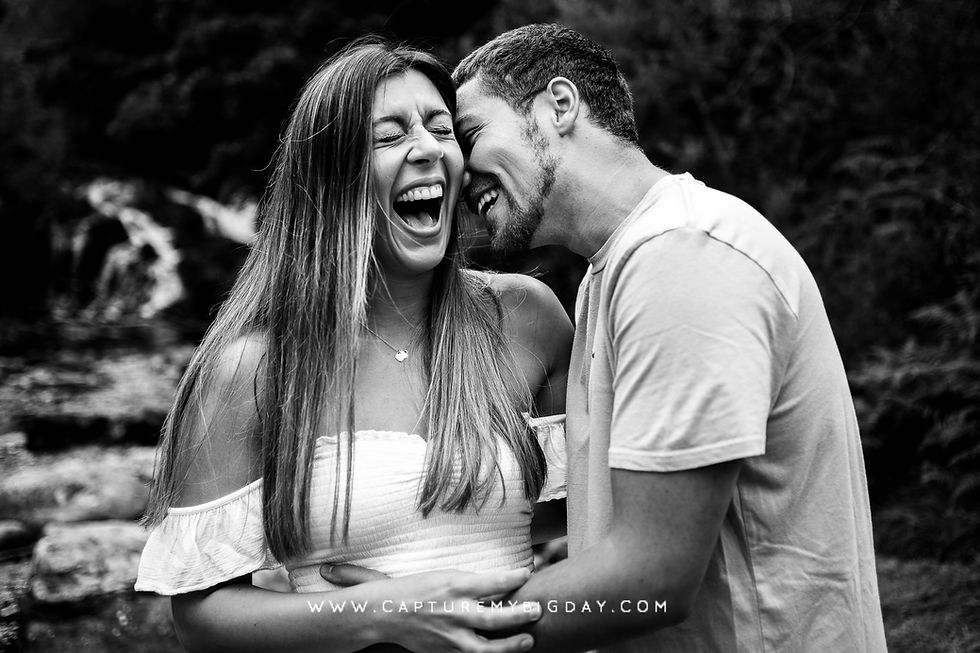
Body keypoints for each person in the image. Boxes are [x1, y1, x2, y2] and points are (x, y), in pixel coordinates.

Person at [326, 23, 888, 652]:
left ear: (559, 106)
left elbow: (655, 576)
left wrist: (417, 619)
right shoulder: (617, 271)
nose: (460, 171)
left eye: (471, 133)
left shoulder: (682, 257)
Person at [135, 38, 573, 653]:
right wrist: (382, 615)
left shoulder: (529, 317)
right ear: (330, 180)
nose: (428, 148)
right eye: (390, 135)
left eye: (442, 128)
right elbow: (202, 617)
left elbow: (576, 534)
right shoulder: (255, 369)